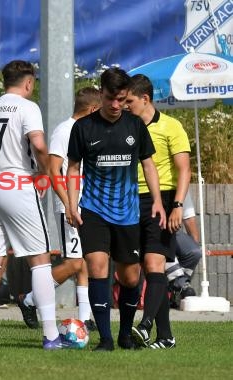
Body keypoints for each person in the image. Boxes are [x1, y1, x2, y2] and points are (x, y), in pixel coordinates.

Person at [67, 68, 166, 351]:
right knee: (97, 266)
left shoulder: (135, 125)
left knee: (130, 276)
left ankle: (124, 334)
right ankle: (105, 339)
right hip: (93, 210)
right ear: (101, 93)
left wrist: (157, 200)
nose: (115, 105)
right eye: (110, 98)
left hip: (127, 212)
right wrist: (71, 203)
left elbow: (148, 164)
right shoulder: (83, 128)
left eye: (121, 99)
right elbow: (73, 168)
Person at [0, 60, 63, 350]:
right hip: (17, 184)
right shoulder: (28, 106)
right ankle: (51, 335)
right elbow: (37, 144)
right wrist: (45, 170)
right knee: (40, 261)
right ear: (28, 83)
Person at [17, 87, 101, 330]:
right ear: (93, 110)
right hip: (69, 206)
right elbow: (54, 170)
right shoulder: (65, 131)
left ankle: (85, 317)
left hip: (85, 203)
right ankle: (29, 299)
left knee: (84, 260)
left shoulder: (83, 130)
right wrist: (68, 203)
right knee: (74, 263)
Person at [126, 73, 191, 349]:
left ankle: (144, 325)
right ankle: (166, 337)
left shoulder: (171, 126)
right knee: (147, 271)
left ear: (145, 99)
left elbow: (184, 169)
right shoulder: (126, 127)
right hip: (131, 201)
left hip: (161, 200)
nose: (125, 105)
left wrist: (177, 206)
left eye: (129, 100)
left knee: (155, 265)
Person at [166, 189, 200, 308]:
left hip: (174, 232)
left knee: (195, 252)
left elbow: (190, 220)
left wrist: (197, 247)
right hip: (152, 229)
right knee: (163, 245)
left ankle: (177, 288)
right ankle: (181, 284)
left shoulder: (182, 189)